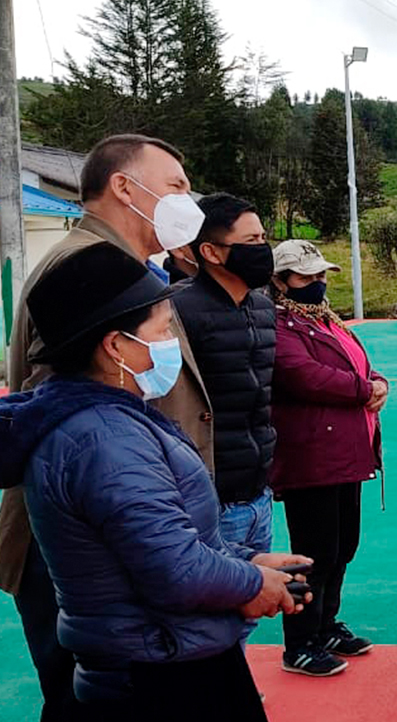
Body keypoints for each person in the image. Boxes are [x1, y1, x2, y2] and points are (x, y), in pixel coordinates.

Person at [0, 243, 312, 721]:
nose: (169, 343)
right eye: (162, 329)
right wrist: (253, 583)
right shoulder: (103, 441)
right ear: (115, 346)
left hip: (163, 656)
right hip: (160, 676)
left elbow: (157, 539)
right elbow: (176, 572)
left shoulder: (107, 421)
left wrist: (244, 560)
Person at [0, 133, 215, 721]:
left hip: (118, 533)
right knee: (90, 702)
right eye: (175, 186)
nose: (186, 201)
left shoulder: (121, 266)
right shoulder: (88, 272)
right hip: (91, 551)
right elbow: (67, 416)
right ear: (125, 186)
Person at [269, 240, 388, 677]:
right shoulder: (279, 326)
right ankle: (300, 643)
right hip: (311, 456)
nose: (317, 284)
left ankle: (325, 625)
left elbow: (361, 365)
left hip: (346, 452)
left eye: (321, 276)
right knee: (313, 553)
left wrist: (378, 380)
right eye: (306, 277)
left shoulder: (326, 320)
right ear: (280, 281)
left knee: (341, 548)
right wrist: (363, 389)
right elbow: (302, 375)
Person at [171, 193, 277, 571]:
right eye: (251, 242)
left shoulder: (264, 309)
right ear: (211, 253)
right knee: (211, 618)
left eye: (264, 239)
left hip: (258, 496)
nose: (263, 250)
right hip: (209, 499)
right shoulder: (177, 313)